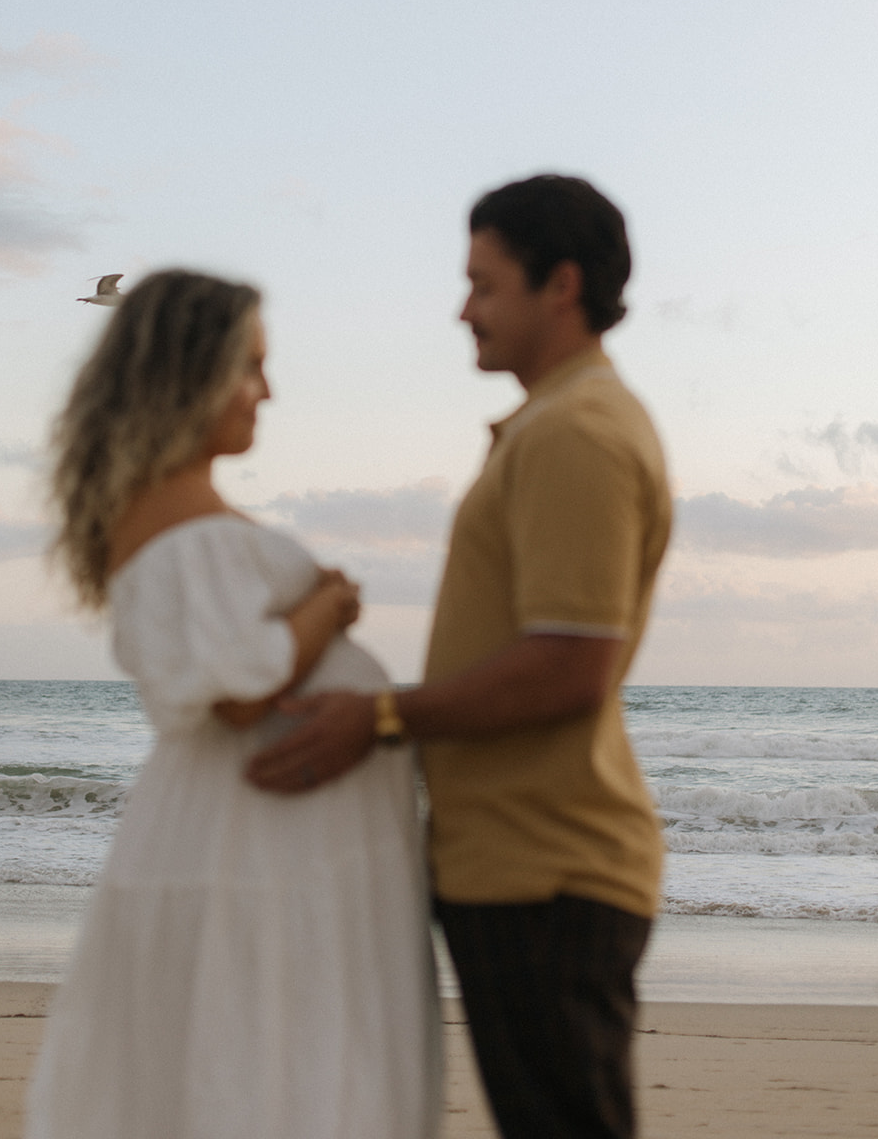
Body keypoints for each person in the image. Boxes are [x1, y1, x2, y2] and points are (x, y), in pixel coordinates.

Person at [248, 176, 671, 1139]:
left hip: (548, 867)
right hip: (511, 862)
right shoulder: (552, 425)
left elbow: (572, 665)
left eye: (482, 285)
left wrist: (383, 716)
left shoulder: (578, 434)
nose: (462, 310)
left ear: (558, 285)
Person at [25, 270, 441, 1139]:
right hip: (257, 849)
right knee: (264, 1074)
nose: (268, 391)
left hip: (268, 842)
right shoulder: (172, 518)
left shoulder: (165, 510)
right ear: (188, 373)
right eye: (250, 367)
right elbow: (238, 688)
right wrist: (326, 608)